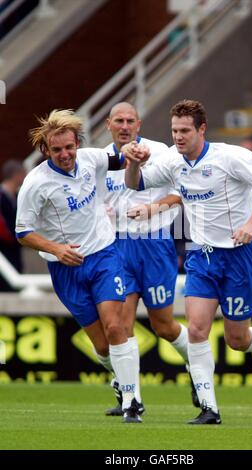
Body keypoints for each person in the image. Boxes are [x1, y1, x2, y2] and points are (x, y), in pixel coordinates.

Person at [124, 99, 252, 425]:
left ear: (201, 129)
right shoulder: (173, 162)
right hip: (200, 256)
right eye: (174, 130)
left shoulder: (230, 157)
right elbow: (135, 184)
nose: (178, 136)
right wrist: (132, 164)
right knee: (197, 329)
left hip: (238, 257)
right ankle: (209, 408)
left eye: (185, 130)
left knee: (237, 339)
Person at [15, 109, 142, 424]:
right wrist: (56, 249)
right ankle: (122, 381)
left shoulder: (91, 158)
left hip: (103, 253)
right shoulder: (35, 184)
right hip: (66, 268)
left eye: (69, 147)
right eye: (56, 150)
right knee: (101, 346)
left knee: (116, 327)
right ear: (45, 150)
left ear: (77, 143)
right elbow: (22, 232)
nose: (65, 155)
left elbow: (117, 159)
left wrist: (131, 153)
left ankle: (132, 401)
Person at [99, 102, 196, 416]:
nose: (125, 126)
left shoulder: (161, 153)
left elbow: (182, 193)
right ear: (108, 124)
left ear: (138, 124)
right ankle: (131, 400)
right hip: (118, 248)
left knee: (164, 326)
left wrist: (152, 209)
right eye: (119, 121)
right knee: (120, 325)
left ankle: (197, 369)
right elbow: (94, 203)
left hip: (155, 245)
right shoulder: (99, 161)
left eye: (130, 121)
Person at [0, 160, 26, 291]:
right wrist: (17, 238)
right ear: (17, 175)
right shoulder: (1, 196)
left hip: (14, 250)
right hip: (4, 249)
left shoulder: (16, 196)